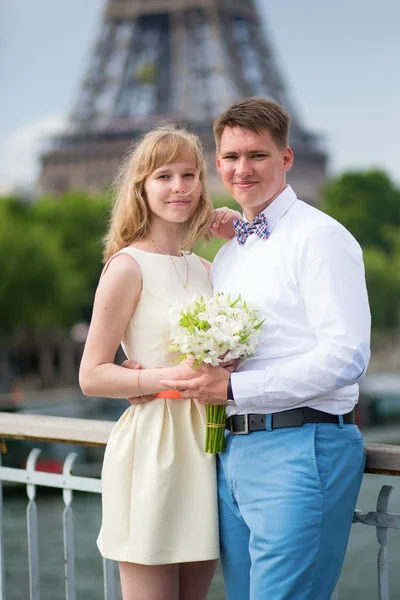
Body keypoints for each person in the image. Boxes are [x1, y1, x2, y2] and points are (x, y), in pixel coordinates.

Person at [160, 97, 371, 600]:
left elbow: (347, 355)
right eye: (231, 158)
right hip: (234, 451)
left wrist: (233, 385)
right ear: (217, 164)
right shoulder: (231, 252)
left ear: (287, 158)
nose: (242, 169)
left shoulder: (320, 238)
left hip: (301, 447)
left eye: (256, 155)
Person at [79, 124, 238, 600]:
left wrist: (241, 238)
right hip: (155, 447)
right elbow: (91, 375)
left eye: (189, 175)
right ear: (141, 188)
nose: (179, 187)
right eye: (164, 175)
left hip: (210, 445)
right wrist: (159, 376)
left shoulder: (209, 267)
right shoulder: (126, 267)